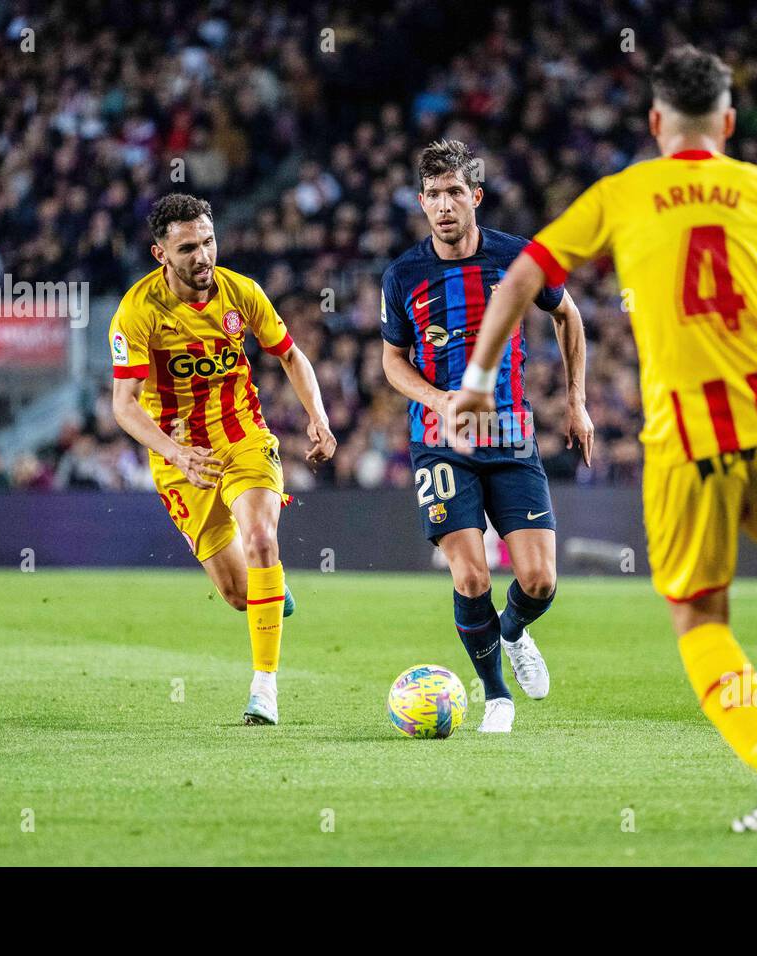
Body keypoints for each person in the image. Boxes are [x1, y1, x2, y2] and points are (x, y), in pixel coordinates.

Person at [450, 47, 757, 830]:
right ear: (729, 122)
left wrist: (477, 380)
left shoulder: (621, 193)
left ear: (655, 122)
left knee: (702, 618)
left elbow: (520, 281)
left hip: (685, 444)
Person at [380, 140, 593, 733]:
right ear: (421, 202)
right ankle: (496, 696)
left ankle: (513, 632)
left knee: (539, 581)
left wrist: (577, 403)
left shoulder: (518, 258)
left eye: (455, 192)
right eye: (433, 195)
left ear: (475, 196)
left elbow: (568, 314)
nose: (444, 205)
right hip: (440, 439)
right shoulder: (403, 275)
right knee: (471, 575)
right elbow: (392, 360)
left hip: (511, 436)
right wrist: (437, 399)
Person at [110, 193, 336, 725]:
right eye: (187, 248)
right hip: (179, 457)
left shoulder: (241, 292)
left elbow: (290, 355)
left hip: (243, 437)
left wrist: (319, 417)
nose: (203, 256)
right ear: (160, 254)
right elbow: (124, 405)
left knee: (260, 539)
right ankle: (270, 589)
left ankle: (265, 688)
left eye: (208, 242)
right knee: (238, 594)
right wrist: (177, 454)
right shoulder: (137, 311)